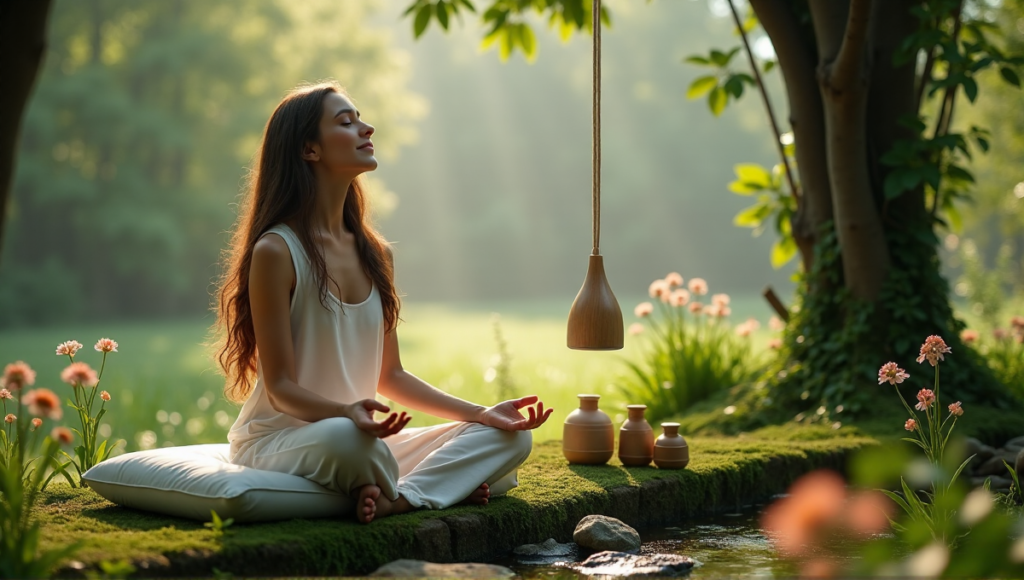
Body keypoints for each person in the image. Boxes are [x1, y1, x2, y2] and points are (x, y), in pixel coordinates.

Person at [212, 81, 553, 524]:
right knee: (352, 444)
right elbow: (280, 388)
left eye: (360, 118)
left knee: (510, 440)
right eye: (346, 122)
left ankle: (401, 495)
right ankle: (440, 486)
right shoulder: (277, 251)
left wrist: (481, 414)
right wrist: (345, 411)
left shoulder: (376, 253)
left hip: (362, 435)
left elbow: (389, 375)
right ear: (309, 149)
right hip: (285, 440)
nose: (366, 128)